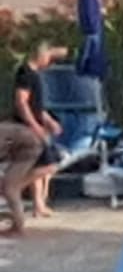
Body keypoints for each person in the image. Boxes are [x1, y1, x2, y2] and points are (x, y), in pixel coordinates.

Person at [13, 42, 69, 225]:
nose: (50, 62)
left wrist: (49, 121)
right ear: (41, 55)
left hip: (36, 125)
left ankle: (39, 205)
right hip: (27, 128)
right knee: (50, 165)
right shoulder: (25, 73)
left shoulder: (35, 74)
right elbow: (22, 103)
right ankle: (12, 188)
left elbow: (37, 106)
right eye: (49, 57)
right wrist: (34, 126)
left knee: (38, 166)